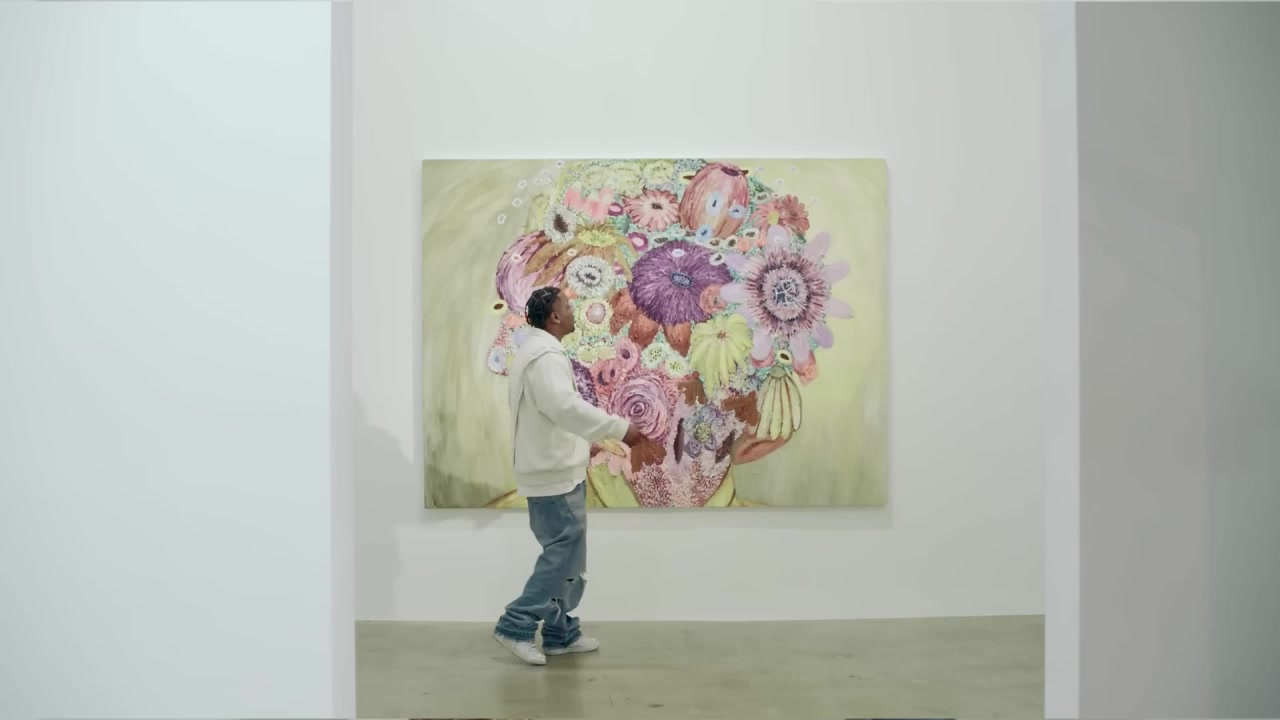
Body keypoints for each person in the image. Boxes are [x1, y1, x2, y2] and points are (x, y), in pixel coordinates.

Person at [493, 286, 646, 665]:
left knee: (569, 558)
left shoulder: (540, 351)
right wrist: (619, 428)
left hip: (556, 470)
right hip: (553, 475)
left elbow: (558, 410)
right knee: (563, 556)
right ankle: (515, 625)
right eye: (567, 305)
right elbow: (564, 407)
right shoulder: (544, 356)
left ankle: (560, 633)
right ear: (554, 317)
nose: (573, 309)